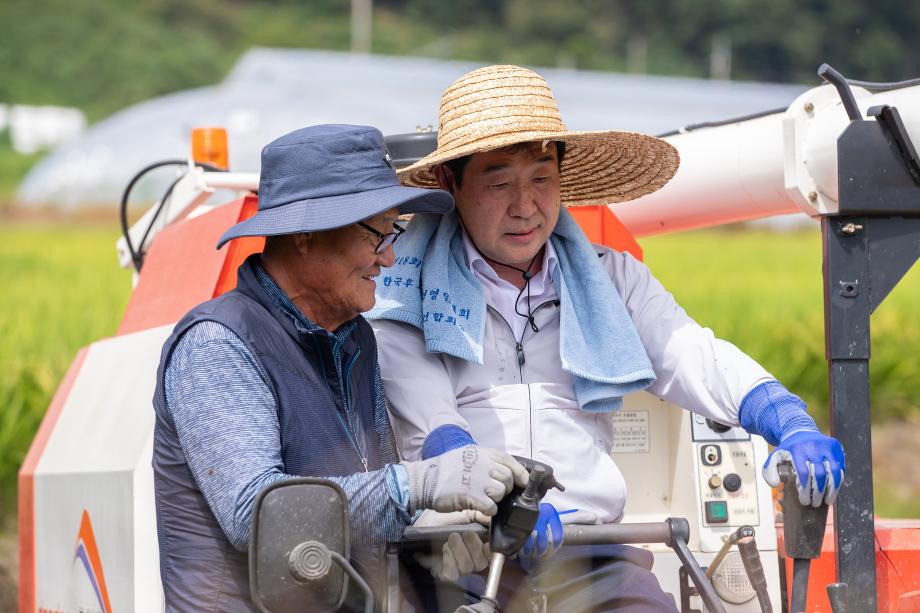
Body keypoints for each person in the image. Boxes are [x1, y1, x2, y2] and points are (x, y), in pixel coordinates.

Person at [368, 66, 846, 611]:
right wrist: (503, 502)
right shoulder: (404, 292)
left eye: (541, 179)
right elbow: (434, 425)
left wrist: (787, 418)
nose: (525, 206)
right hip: (455, 554)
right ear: (452, 183)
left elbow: (690, 354)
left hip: (592, 553)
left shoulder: (610, 278)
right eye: (499, 183)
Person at [151, 124, 530, 611]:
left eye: (394, 232)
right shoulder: (218, 344)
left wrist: (426, 537)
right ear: (305, 233)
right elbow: (260, 518)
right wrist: (421, 486)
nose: (389, 256)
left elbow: (369, 494)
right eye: (377, 233)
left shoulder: (355, 338)